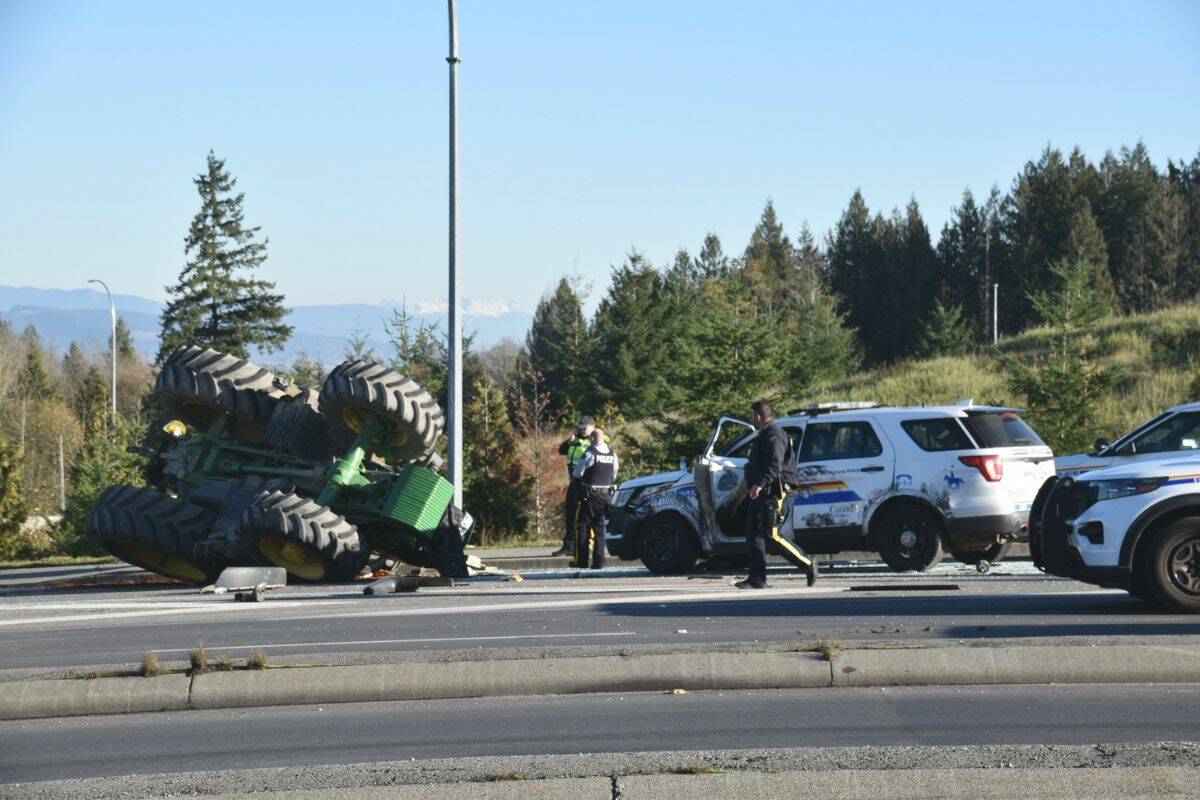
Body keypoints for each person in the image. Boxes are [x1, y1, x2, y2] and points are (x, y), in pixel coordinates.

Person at [736, 400, 817, 589]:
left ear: (758, 416)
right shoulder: (764, 435)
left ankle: (807, 563)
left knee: (772, 534)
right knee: (753, 534)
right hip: (762, 492)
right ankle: (757, 578)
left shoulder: (774, 434)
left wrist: (759, 484)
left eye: (752, 416)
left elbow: (775, 465)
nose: (751, 420)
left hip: (774, 492)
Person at [572, 427, 619, 569]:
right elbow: (614, 475)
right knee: (600, 529)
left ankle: (582, 561)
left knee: (583, 527)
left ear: (592, 439)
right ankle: (599, 562)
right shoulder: (613, 455)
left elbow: (577, 473)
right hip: (606, 496)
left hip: (590, 496)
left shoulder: (590, 453)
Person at [553, 416, 595, 557]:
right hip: (574, 483)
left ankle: (586, 547)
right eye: (580, 427)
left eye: (584, 428)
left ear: (592, 428)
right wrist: (569, 441)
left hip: (587, 484)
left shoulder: (595, 442)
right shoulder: (575, 439)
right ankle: (569, 546)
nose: (581, 430)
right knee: (570, 516)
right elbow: (562, 450)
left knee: (586, 517)